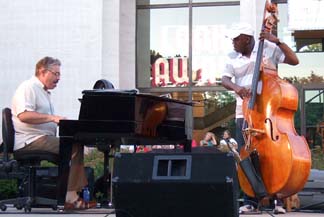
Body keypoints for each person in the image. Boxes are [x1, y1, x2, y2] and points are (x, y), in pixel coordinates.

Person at [221, 22, 299, 214]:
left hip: (268, 113)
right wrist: (238, 89)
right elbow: (224, 79)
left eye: (236, 39)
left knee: (271, 157)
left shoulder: (269, 49)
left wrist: (278, 41)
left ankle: (276, 201)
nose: (233, 42)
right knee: (246, 156)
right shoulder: (232, 57)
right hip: (244, 112)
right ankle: (250, 200)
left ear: (247, 39)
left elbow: (294, 60)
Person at [11, 56, 96, 210]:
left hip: (42, 138)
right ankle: (71, 197)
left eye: (59, 74)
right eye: (55, 74)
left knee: (73, 144)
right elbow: (24, 115)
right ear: (42, 71)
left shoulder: (44, 92)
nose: (58, 78)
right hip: (30, 140)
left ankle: (69, 194)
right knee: (73, 146)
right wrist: (52, 118)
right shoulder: (28, 87)